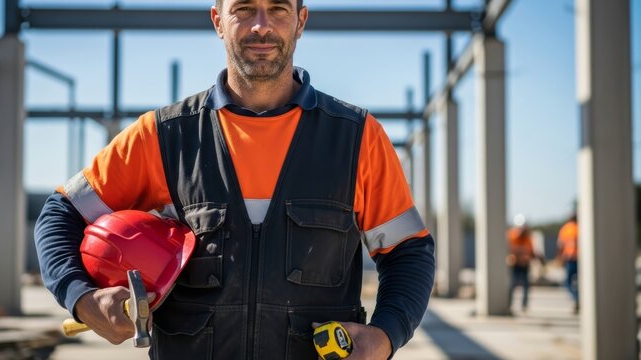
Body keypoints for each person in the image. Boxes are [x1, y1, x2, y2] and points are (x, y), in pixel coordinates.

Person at [33, 1, 436, 359]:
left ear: (301, 21)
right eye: (243, 9)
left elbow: (408, 252)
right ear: (217, 21)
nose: (261, 26)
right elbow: (59, 215)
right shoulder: (164, 136)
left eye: (278, 9)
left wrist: (385, 335)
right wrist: (82, 299)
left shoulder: (356, 138)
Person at [506, 225, 536, 312]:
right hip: (515, 264)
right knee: (512, 284)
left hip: (524, 264)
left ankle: (524, 304)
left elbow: (531, 251)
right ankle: (509, 303)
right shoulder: (512, 237)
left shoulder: (528, 239)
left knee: (526, 285)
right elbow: (509, 249)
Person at [557, 214, 578, 314]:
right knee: (581, 282)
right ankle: (579, 297)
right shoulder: (581, 227)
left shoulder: (565, 229)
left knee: (568, 282)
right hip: (581, 259)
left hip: (570, 258)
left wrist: (559, 259)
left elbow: (560, 246)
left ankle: (576, 297)